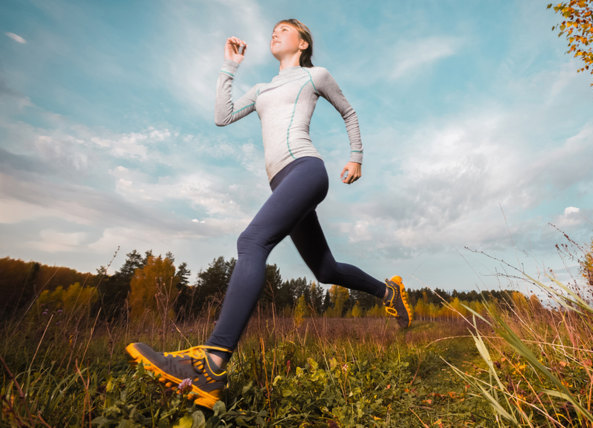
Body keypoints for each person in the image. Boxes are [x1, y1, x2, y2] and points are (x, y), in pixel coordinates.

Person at [125, 19, 412, 409]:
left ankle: (211, 364)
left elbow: (349, 112)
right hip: (283, 184)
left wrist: (356, 157)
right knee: (325, 270)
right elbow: (222, 116)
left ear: (303, 42)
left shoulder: (315, 76)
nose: (274, 33)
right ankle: (388, 290)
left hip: (307, 170)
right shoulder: (261, 89)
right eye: (273, 30)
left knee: (251, 241)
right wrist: (229, 67)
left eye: (284, 29)